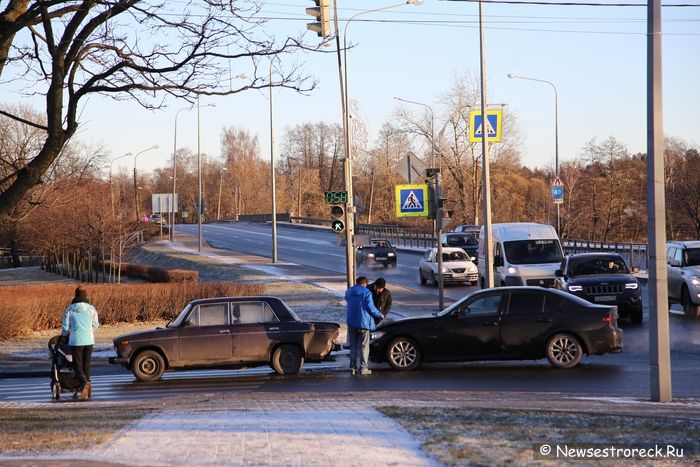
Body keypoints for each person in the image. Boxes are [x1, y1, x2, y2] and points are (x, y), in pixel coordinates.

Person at [62, 286, 100, 400]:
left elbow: (65, 327)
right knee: (86, 365)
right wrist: (89, 330)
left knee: (77, 366)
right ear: (85, 295)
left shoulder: (70, 309)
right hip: (89, 340)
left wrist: (65, 335)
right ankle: (87, 387)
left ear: (75, 295)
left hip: (76, 340)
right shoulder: (91, 308)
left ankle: (84, 384)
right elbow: (96, 324)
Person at [345, 276, 384, 376]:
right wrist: (380, 314)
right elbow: (370, 308)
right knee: (364, 346)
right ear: (364, 284)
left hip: (351, 322)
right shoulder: (366, 293)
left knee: (353, 345)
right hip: (363, 323)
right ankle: (363, 368)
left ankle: (352, 367)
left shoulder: (349, 292)